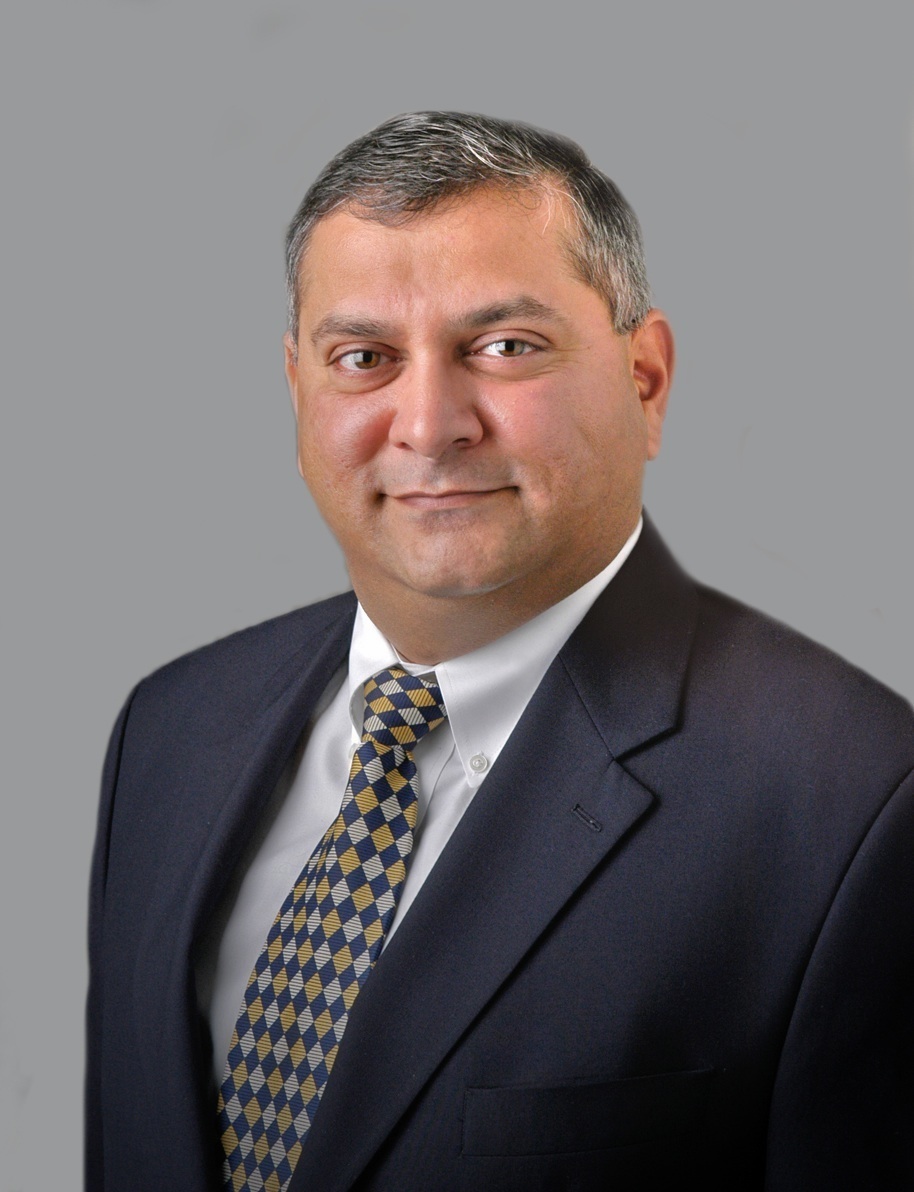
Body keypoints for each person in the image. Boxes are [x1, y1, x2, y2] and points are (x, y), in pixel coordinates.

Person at [86, 111, 914, 1192]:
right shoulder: (169, 729)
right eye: (364, 359)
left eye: (505, 347)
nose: (429, 424)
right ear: (298, 389)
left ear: (646, 379)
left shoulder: (855, 803)